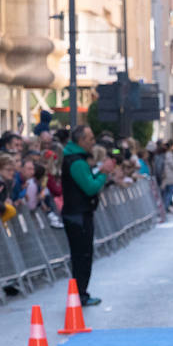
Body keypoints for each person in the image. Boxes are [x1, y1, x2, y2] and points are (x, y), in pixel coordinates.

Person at [59, 124, 119, 306]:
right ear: (81, 141)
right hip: (77, 214)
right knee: (82, 256)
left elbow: (86, 180)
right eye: (90, 139)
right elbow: (90, 187)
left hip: (80, 213)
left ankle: (81, 292)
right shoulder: (76, 161)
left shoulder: (77, 159)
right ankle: (80, 294)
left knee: (84, 255)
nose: (94, 142)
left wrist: (99, 171)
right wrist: (104, 174)